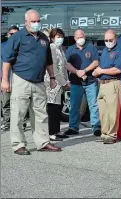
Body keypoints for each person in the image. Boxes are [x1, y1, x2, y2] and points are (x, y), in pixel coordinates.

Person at [1, 10, 61, 155]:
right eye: (33, 21)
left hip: (39, 81)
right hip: (22, 79)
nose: (36, 24)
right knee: (18, 113)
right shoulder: (18, 37)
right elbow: (7, 59)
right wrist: (4, 80)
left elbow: (48, 61)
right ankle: (18, 144)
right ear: (26, 22)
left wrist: (52, 77)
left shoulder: (43, 39)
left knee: (41, 113)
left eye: (37, 21)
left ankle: (43, 142)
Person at [64, 29, 101, 136]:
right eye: (78, 37)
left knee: (93, 105)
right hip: (76, 82)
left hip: (90, 82)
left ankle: (96, 127)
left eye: (82, 37)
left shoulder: (91, 48)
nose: (81, 39)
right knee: (74, 106)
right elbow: (66, 64)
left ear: (84, 37)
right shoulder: (70, 50)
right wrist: (77, 72)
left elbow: (95, 62)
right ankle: (73, 127)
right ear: (75, 38)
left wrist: (84, 71)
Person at [93, 29, 121, 144]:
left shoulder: (120, 52)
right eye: (106, 40)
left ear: (115, 39)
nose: (108, 42)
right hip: (102, 84)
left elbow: (117, 69)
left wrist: (101, 70)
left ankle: (112, 135)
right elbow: (102, 68)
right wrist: (96, 72)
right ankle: (105, 133)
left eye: (110, 40)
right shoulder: (105, 52)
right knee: (103, 112)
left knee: (112, 111)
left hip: (113, 83)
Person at [44, 28, 70, 141]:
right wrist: (64, 82)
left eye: (61, 36)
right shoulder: (52, 48)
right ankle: (51, 132)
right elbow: (53, 68)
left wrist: (66, 80)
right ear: (52, 38)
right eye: (57, 37)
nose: (60, 39)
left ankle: (56, 130)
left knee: (58, 107)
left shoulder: (60, 49)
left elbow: (64, 67)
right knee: (52, 107)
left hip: (60, 83)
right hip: (52, 82)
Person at [1, 25, 20, 131]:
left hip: (19, 79)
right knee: (6, 102)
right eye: (11, 34)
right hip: (6, 79)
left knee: (20, 103)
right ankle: (7, 122)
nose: (13, 36)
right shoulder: (2, 46)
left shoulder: (22, 46)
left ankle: (21, 123)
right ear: (8, 35)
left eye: (16, 34)